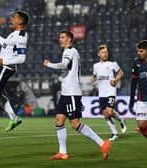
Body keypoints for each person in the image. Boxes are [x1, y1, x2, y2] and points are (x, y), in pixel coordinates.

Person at [43, 30, 110, 160]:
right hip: (66, 93)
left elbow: (63, 65)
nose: (60, 39)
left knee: (75, 124)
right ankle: (63, 153)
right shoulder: (68, 51)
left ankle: (103, 144)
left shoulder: (70, 51)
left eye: (62, 37)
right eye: (59, 37)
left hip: (72, 93)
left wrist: (49, 64)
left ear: (69, 39)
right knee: (59, 120)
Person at [91, 44, 127, 141]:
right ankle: (115, 133)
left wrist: (115, 79)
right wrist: (93, 80)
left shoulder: (112, 64)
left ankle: (121, 120)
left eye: (106, 52)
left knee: (110, 112)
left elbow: (121, 73)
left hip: (111, 90)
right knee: (106, 114)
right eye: (103, 52)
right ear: (99, 54)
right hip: (101, 92)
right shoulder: (96, 66)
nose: (105, 54)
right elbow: (94, 76)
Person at [129, 40, 147, 138]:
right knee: (141, 126)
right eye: (138, 51)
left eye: (141, 51)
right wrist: (131, 100)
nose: (138, 53)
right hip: (142, 99)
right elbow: (133, 83)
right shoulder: (137, 63)